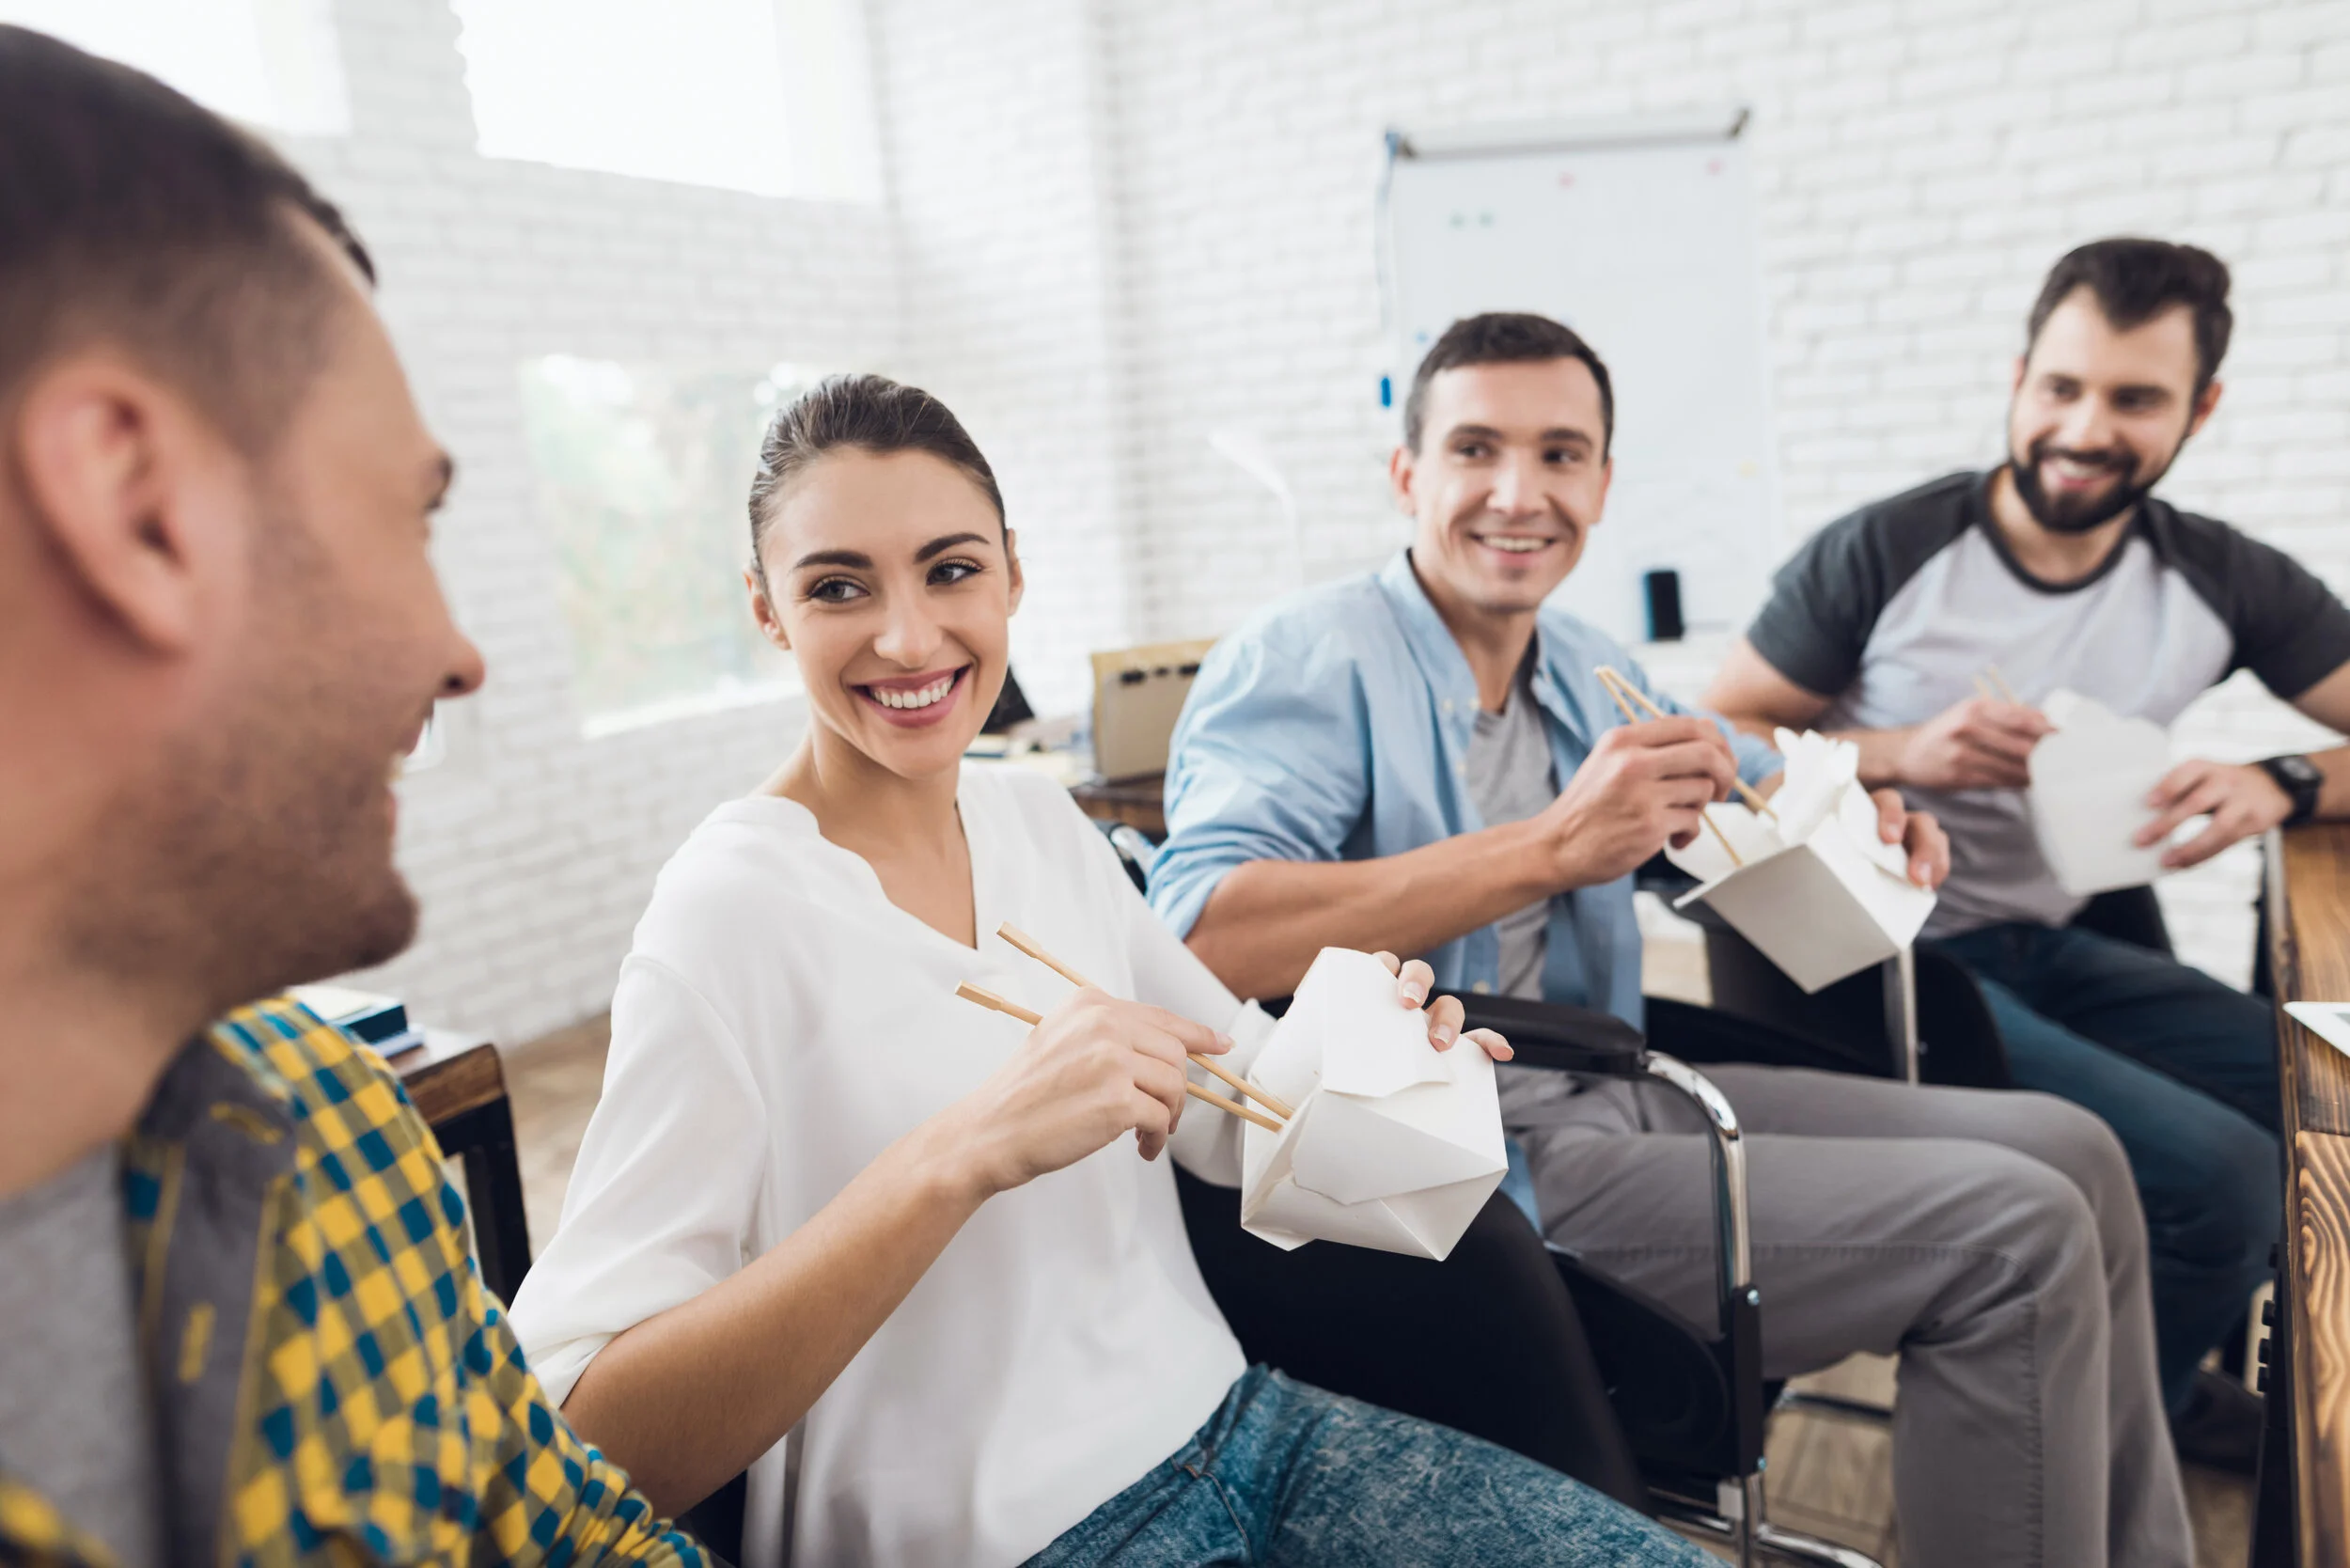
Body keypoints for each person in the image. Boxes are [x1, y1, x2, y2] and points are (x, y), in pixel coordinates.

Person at [506, 373, 1713, 1568]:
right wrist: (960, 1154)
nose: (909, 636)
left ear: (1014, 574)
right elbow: (584, 1440)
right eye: (836, 588)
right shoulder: (726, 915)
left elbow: (1242, 1115)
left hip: (1240, 1429)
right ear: (768, 610)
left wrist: (1384, 1065)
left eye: (952, 569)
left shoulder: (1038, 823)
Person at [1152, 311, 2193, 1568]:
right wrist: (1550, 848)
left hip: (1615, 1082)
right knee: (2015, 1237)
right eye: (1476, 449)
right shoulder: (1309, 658)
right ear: (1408, 477)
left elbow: (1752, 769)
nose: (1518, 492)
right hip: (1466, 1154)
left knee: (2079, 1150)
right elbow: (1202, 930)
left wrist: (1857, 805)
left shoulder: (1588, 661)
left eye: (1561, 453)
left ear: (1601, 484)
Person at [1703, 238, 2341, 1468]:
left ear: (2200, 410)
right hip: (1883, 964)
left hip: (2063, 938)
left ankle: (2142, 1389)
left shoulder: (2213, 576)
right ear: (2018, 378)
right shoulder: (1886, 554)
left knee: (2325, 1102)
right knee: (2223, 1182)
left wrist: (2284, 778)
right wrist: (1902, 752)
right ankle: (2097, 1456)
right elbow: (1714, 740)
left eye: (2134, 399)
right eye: (2061, 388)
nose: (2084, 427)